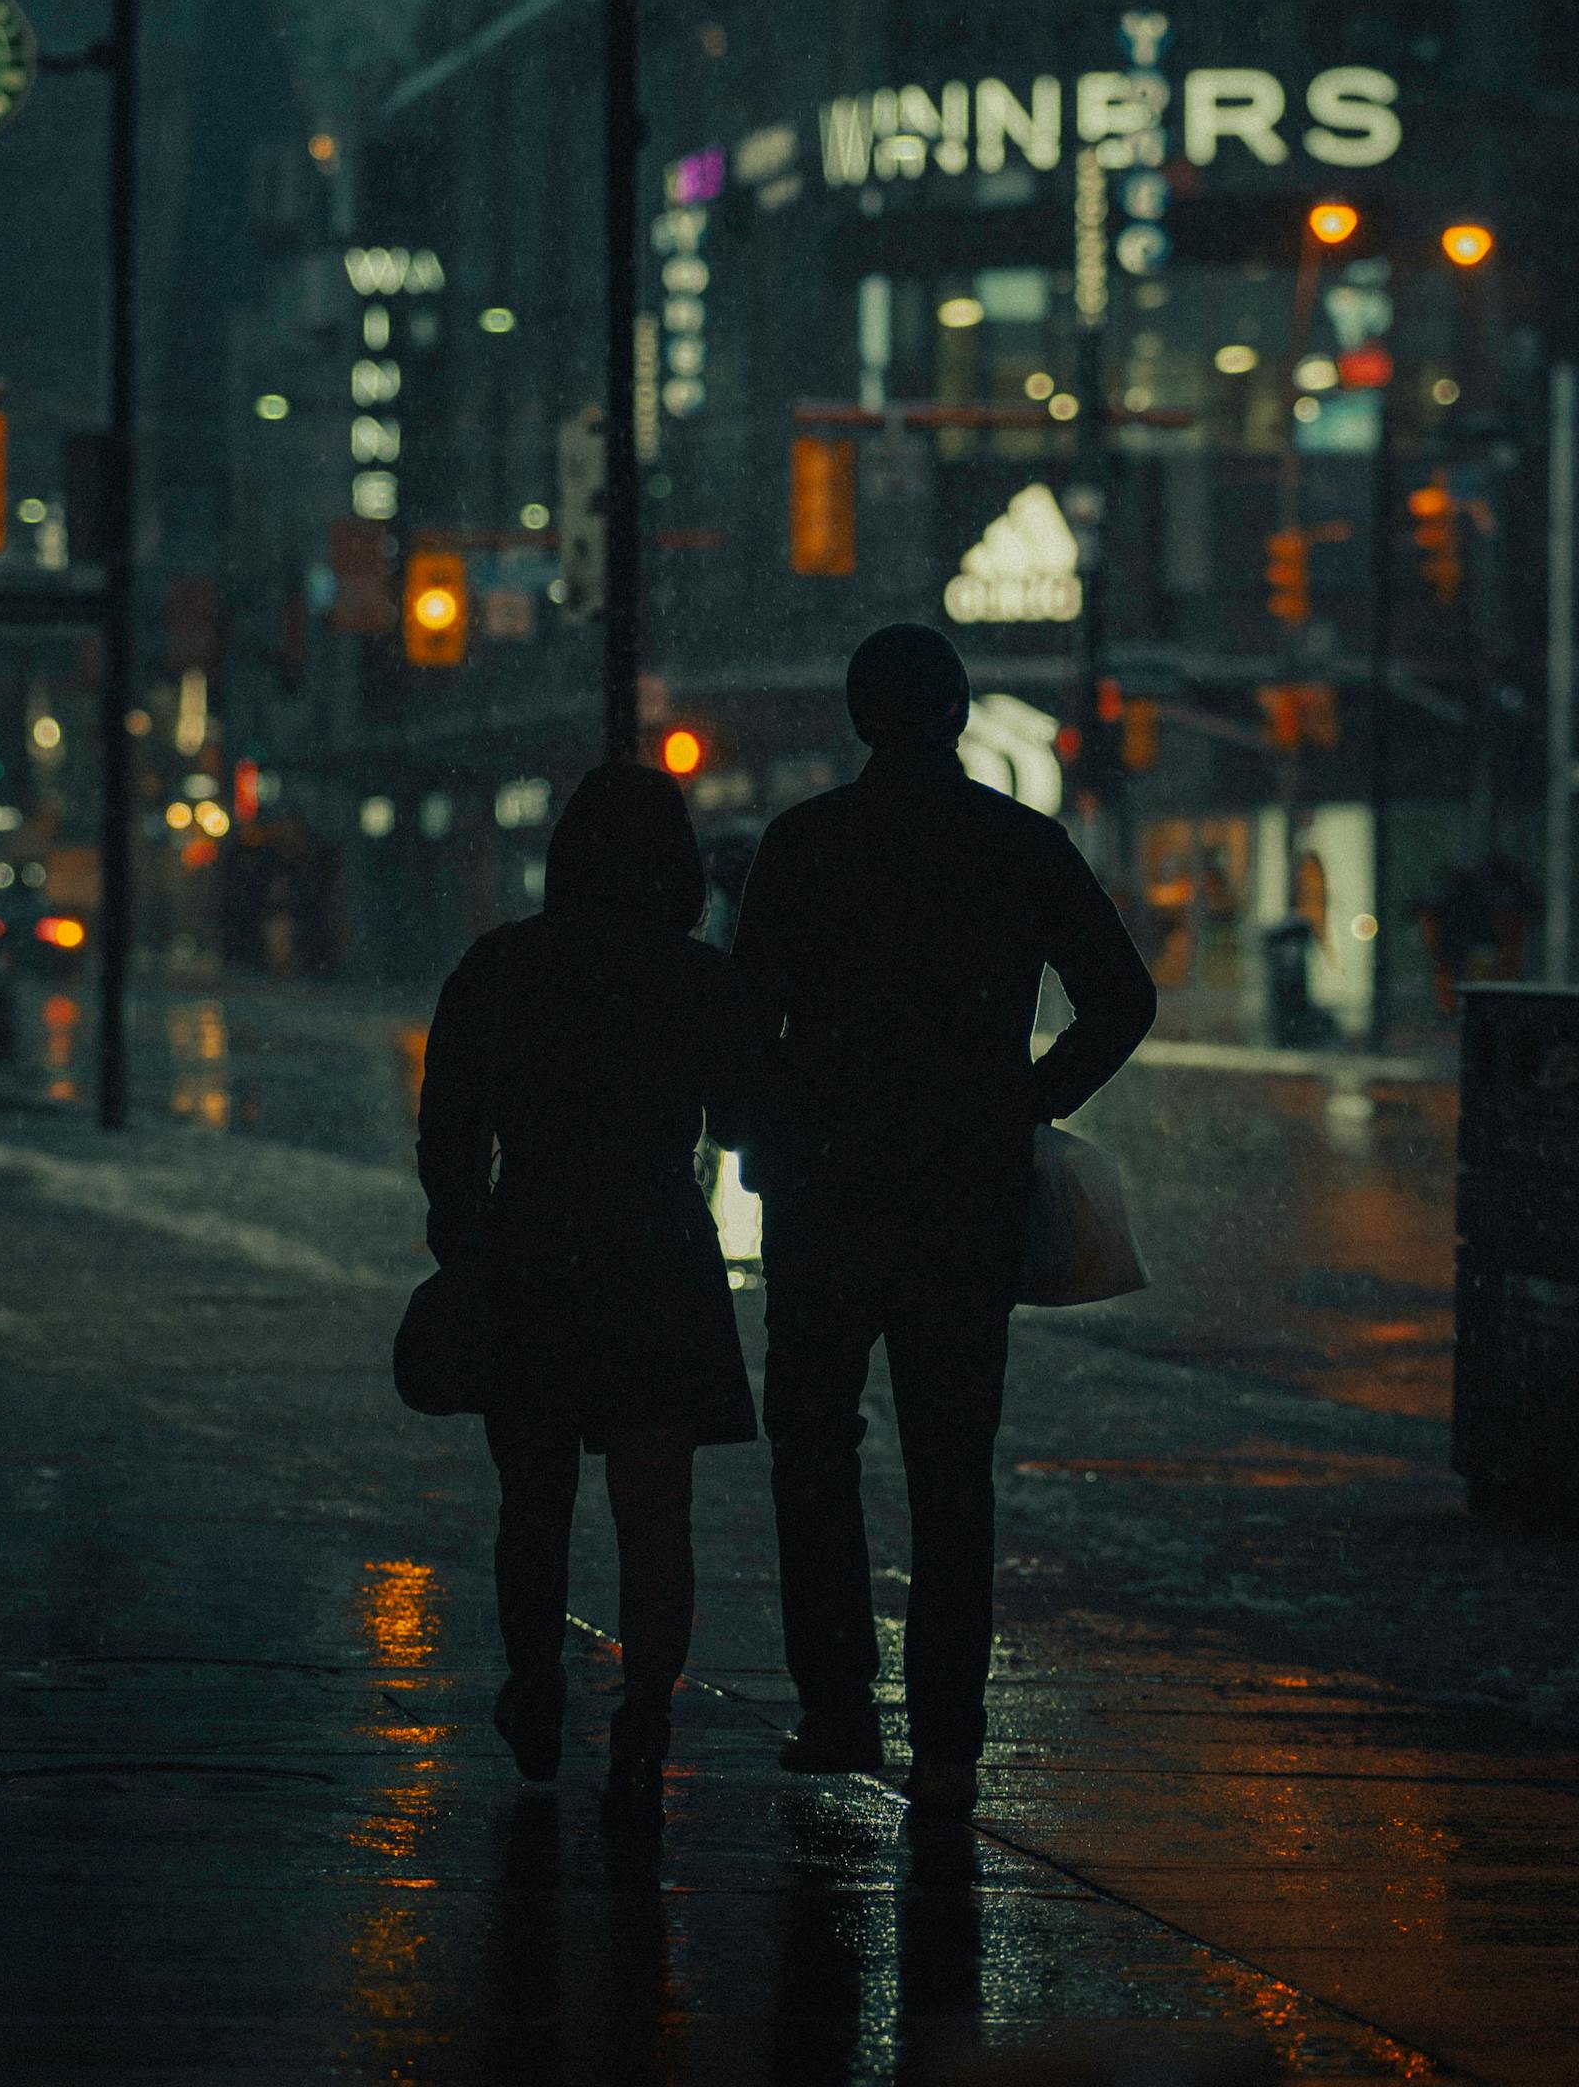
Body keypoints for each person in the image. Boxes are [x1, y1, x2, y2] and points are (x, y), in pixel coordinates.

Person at [731, 623, 1156, 1820]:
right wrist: (1029, 1099)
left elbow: (746, 1019)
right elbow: (1122, 996)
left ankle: (837, 1705)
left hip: (828, 1187)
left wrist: (758, 1144)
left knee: (812, 1444)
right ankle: (952, 1743)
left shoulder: (808, 843)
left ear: (860, 715)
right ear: (961, 714)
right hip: (964, 1195)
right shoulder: (1017, 845)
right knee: (950, 1465)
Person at [416, 765, 756, 1820]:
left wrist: (467, 1236)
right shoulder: (693, 978)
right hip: (655, 1245)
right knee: (656, 1511)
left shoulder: (503, 966)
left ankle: (535, 1681)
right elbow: (744, 1121)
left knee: (535, 1501)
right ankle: (644, 1718)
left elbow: (449, 1136)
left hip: (536, 1241)